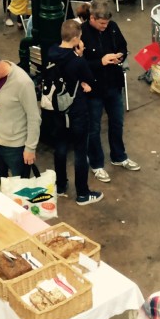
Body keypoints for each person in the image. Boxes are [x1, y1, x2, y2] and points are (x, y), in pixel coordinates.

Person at [80, 3, 139, 183]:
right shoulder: (81, 33)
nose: (105, 27)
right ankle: (97, 164)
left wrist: (119, 54)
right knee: (94, 128)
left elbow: (123, 45)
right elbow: (79, 64)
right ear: (92, 18)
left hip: (113, 84)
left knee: (117, 122)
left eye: (107, 23)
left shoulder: (112, 27)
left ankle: (119, 156)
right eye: (102, 24)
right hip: (94, 89)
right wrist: (101, 62)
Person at [47, 20, 102, 205]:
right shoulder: (76, 61)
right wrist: (80, 55)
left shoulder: (51, 52)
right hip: (76, 110)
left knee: (60, 148)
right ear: (77, 38)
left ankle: (61, 186)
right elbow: (91, 80)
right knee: (80, 151)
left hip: (58, 109)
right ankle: (83, 193)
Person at [0, 51, 40, 179]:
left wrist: (30, 149)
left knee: (20, 189)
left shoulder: (23, 83)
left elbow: (34, 118)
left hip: (15, 148)